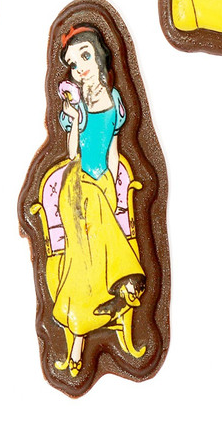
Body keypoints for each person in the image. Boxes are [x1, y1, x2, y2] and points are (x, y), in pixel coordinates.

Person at [53, 27, 145, 376]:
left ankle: (77, 341)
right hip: (77, 188)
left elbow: (114, 153)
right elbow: (72, 153)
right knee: (86, 239)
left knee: (86, 256)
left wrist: (116, 191)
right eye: (73, 64)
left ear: (100, 56)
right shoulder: (76, 107)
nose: (80, 68)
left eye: (85, 56)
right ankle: (127, 282)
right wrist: (75, 119)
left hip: (102, 183)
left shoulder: (116, 103)